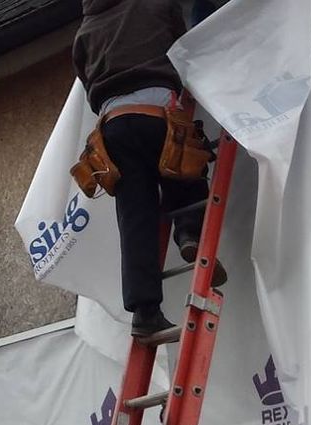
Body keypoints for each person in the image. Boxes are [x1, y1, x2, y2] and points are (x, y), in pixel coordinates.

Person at [72, 0, 215, 343]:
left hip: (113, 128)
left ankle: (145, 314)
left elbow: (85, 77)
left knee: (136, 219)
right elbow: (184, 48)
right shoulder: (154, 3)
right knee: (183, 166)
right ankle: (190, 231)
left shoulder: (85, 31)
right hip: (158, 113)